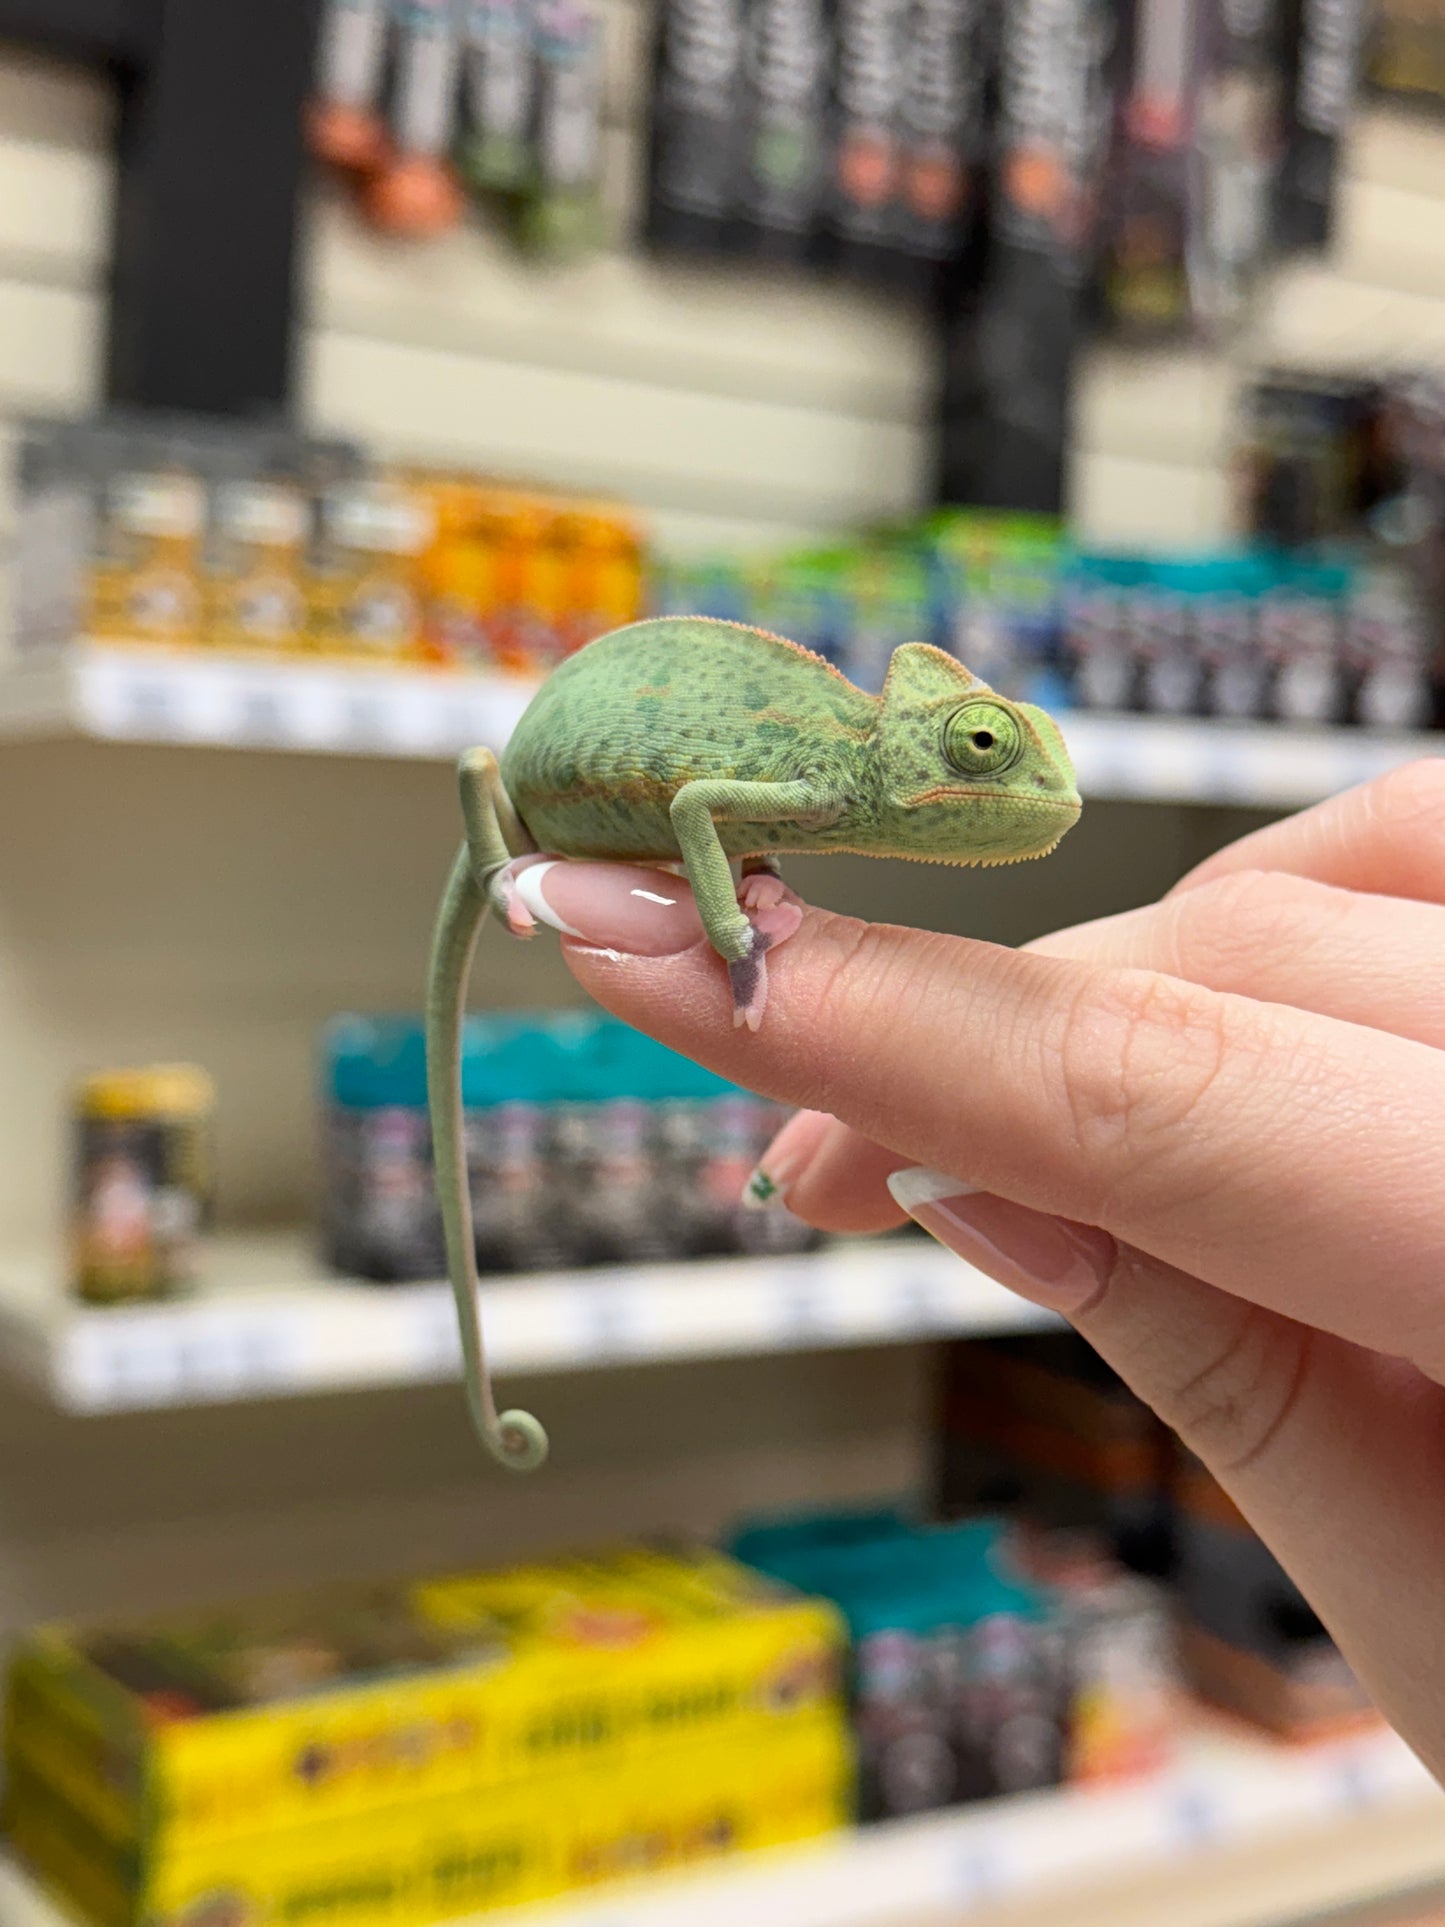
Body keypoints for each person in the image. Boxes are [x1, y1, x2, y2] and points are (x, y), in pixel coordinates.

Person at [515, 759, 1445, 1778]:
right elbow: (695, 797)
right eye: (983, 747)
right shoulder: (835, 767)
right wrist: (729, 919)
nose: (1035, 791)